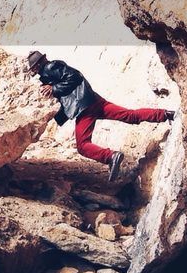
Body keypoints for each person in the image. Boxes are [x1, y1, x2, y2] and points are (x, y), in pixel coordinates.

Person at [25, 50, 174, 182]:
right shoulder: (50, 72)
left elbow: (75, 77)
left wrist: (54, 88)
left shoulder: (50, 68)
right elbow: (69, 95)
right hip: (94, 101)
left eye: (34, 69)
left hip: (86, 108)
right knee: (130, 116)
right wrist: (56, 117)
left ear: (37, 66)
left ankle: (111, 157)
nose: (36, 72)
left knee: (83, 146)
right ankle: (166, 114)